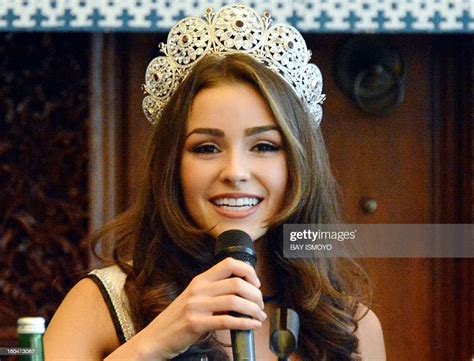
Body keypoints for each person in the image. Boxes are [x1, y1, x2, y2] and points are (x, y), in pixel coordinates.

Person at [44, 4, 385, 360]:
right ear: (172, 166)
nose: (235, 171)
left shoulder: (352, 328)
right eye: (207, 148)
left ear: (298, 166)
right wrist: (152, 344)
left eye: (264, 146)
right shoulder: (100, 303)